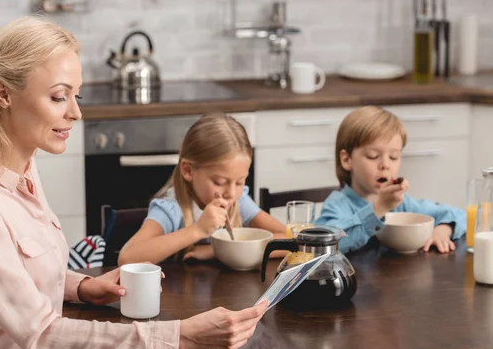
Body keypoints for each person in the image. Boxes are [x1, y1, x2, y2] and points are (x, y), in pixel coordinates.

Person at [0, 17, 268, 349]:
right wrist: (181, 336)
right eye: (59, 96)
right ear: (3, 93)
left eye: (77, 95)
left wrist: (79, 287)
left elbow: (15, 270)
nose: (75, 112)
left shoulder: (25, 171)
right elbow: (43, 336)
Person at [118, 113, 287, 265]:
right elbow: (127, 258)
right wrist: (197, 230)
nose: (231, 193)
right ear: (188, 170)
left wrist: (218, 250)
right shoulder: (172, 208)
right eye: (219, 182)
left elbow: (290, 240)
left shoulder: (239, 201)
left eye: (239, 182)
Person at [315, 106, 466, 254]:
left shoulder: (402, 204)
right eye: (373, 156)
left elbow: (460, 215)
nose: (385, 165)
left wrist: (443, 230)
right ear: (347, 159)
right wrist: (379, 208)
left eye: (394, 157)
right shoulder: (336, 206)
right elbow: (323, 245)